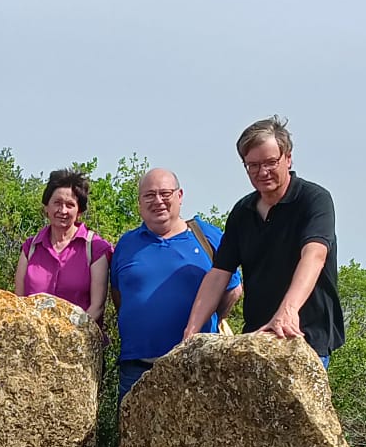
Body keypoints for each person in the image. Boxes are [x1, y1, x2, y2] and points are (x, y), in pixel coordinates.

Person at [180, 117, 343, 364]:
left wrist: (287, 313)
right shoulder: (242, 212)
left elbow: (314, 255)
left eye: (270, 162)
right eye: (253, 165)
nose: (262, 172)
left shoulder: (314, 200)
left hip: (304, 335)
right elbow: (219, 273)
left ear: (288, 158)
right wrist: (191, 332)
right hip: (256, 338)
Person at [113, 167, 241, 398]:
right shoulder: (126, 244)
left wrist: (212, 318)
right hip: (136, 369)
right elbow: (119, 296)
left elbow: (232, 290)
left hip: (198, 365)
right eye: (149, 195)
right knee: (136, 435)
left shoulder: (207, 237)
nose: (158, 201)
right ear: (140, 202)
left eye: (165, 193)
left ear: (180, 196)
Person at [16, 168, 113, 316]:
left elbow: (97, 307)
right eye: (57, 203)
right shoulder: (30, 248)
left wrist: (69, 337)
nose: (63, 210)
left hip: (81, 336)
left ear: (79, 211)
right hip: (35, 337)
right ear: (46, 207)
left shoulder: (95, 248)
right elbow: (19, 303)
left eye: (70, 205)